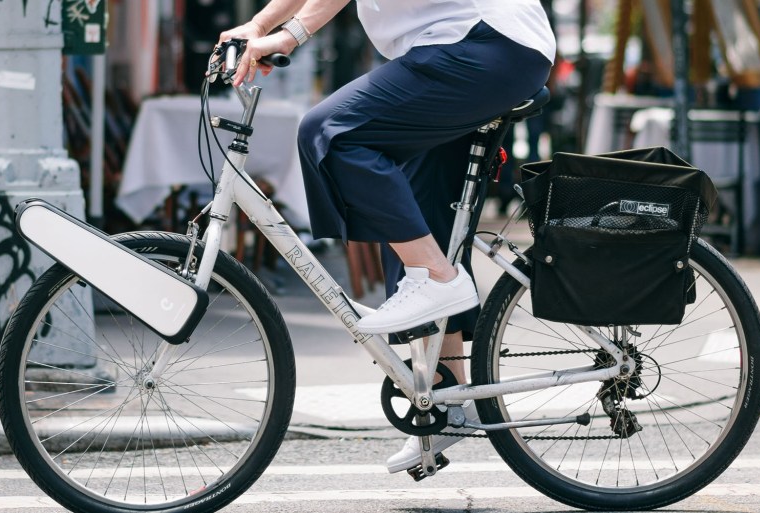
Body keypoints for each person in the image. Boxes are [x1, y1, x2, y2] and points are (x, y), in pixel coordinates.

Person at [220, 0, 555, 474]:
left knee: (332, 132)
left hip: (483, 45)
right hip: (473, 50)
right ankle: (447, 404)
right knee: (416, 219)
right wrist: (257, 25)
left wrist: (288, 35)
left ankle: (439, 278)